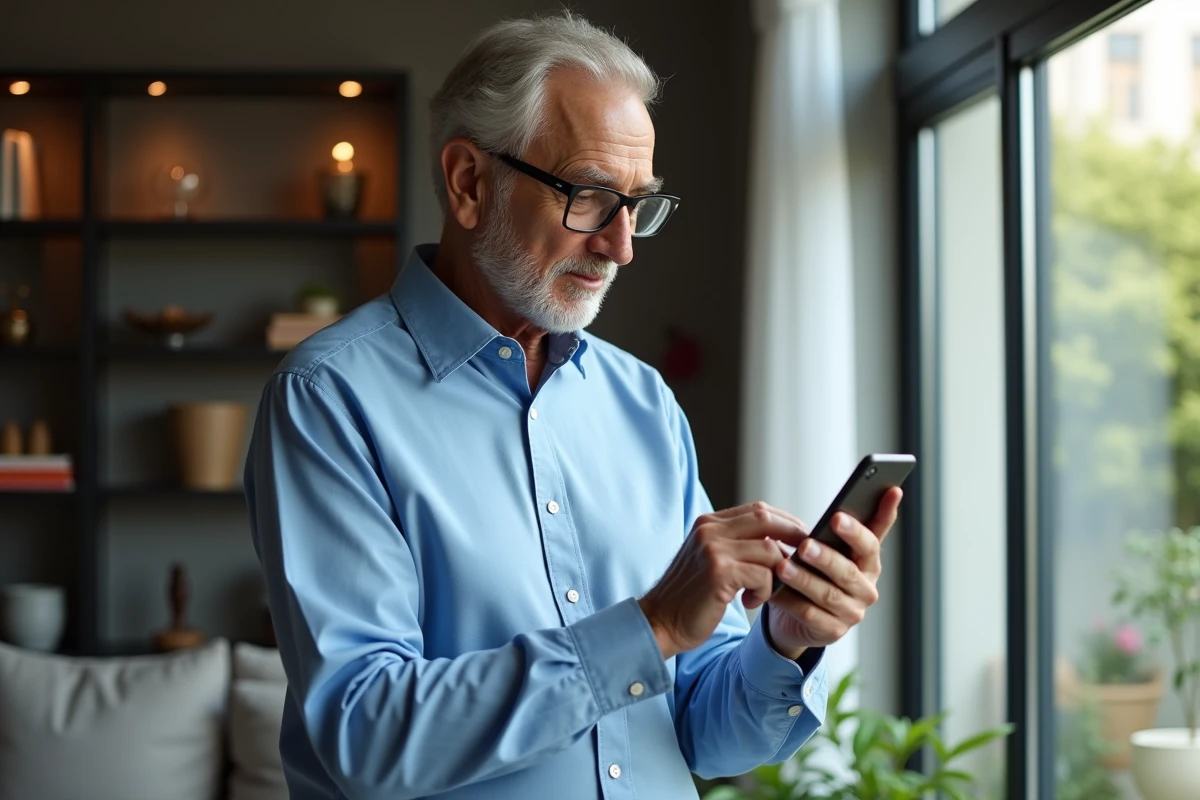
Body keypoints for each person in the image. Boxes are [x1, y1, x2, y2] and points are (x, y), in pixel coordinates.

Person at [244, 11, 902, 800]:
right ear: (468, 183)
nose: (621, 245)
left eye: (639, 205)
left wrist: (784, 643)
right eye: (590, 197)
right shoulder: (330, 398)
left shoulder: (643, 403)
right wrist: (650, 627)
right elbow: (365, 732)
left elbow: (706, 733)